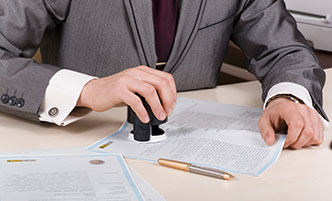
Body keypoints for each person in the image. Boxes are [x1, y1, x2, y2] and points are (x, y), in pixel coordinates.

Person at [0, 0, 329, 149]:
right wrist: (87, 90)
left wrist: (288, 97)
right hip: (84, 151)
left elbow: (285, 50)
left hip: (199, 166)